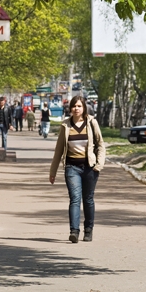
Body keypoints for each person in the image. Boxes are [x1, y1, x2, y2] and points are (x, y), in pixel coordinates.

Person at [49, 95, 105, 243]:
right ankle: (74, 231)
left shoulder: (91, 123)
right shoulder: (66, 125)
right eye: (74, 106)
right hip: (72, 167)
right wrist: (53, 171)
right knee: (75, 199)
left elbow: (100, 145)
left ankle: (88, 230)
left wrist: (99, 165)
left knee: (88, 199)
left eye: (79, 106)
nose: (76, 109)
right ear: (70, 108)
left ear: (84, 108)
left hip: (90, 168)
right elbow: (59, 150)